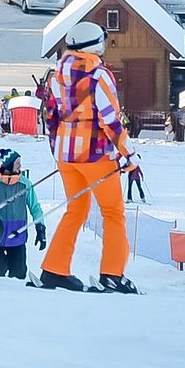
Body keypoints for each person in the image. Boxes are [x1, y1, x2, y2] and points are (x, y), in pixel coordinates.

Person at [42, 21, 139, 292]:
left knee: (76, 209)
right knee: (113, 213)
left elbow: (52, 116)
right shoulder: (99, 75)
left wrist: (59, 151)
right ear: (96, 44)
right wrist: (129, 154)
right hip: (95, 155)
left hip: (66, 153)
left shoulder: (57, 75)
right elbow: (110, 121)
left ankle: (54, 269)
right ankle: (112, 274)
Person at [0, 149, 45, 279]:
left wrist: (40, 227)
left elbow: (35, 207)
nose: (20, 165)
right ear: (8, 165)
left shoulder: (25, 184)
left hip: (18, 237)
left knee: (19, 276)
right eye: (17, 163)